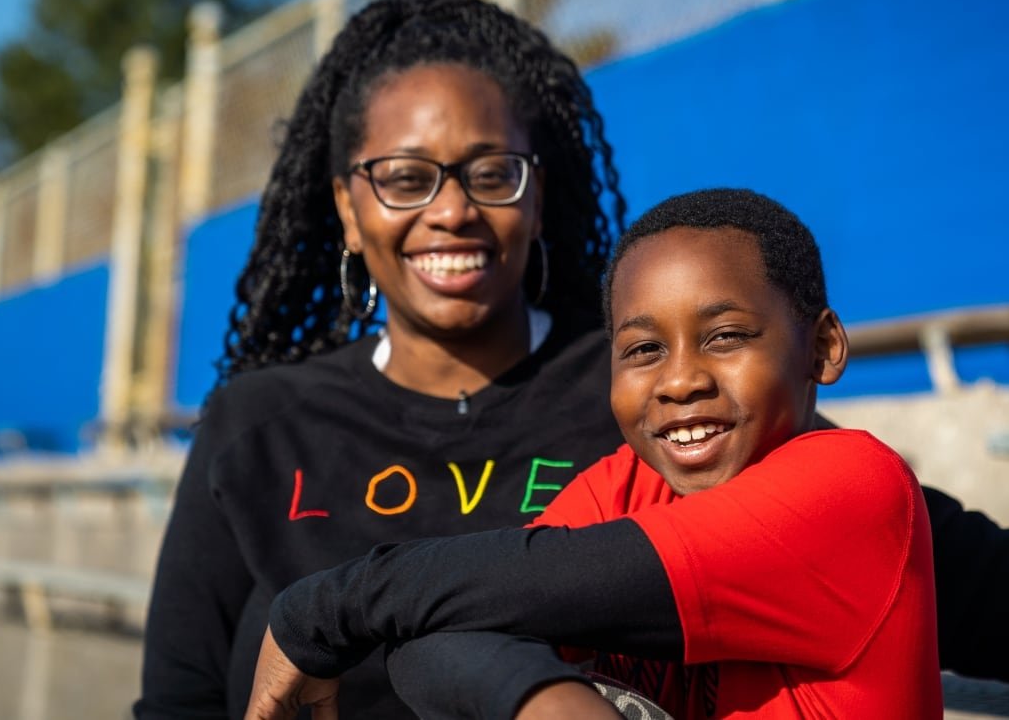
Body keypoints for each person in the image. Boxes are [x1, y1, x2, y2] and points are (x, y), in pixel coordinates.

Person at [136, 0, 1009, 719]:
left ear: (541, 193)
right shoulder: (255, 425)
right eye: (402, 177)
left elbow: (970, 581)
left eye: (491, 170)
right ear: (350, 209)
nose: (449, 208)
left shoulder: (665, 411)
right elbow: (179, 697)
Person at [242, 187, 944, 718]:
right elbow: (444, 632)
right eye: (643, 350)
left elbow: (513, 591)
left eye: (725, 336)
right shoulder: (623, 486)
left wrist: (320, 610)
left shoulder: (853, 484)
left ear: (822, 348)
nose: (679, 380)